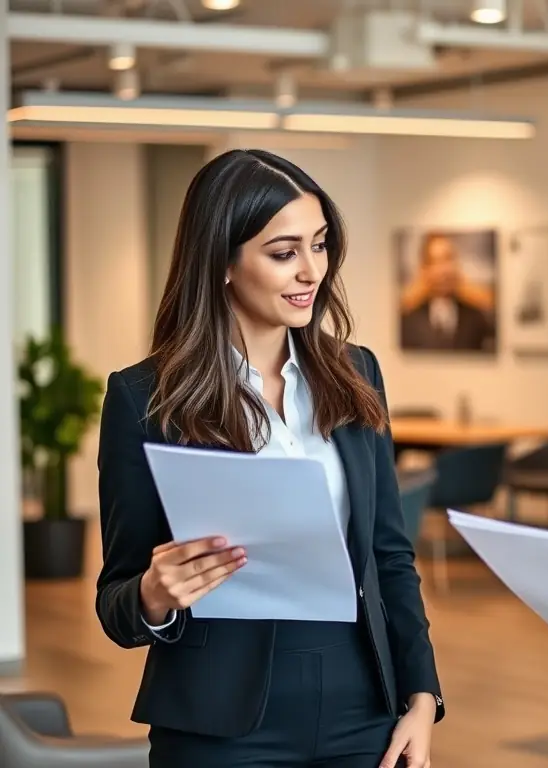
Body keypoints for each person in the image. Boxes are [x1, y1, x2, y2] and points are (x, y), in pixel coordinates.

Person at [95, 148, 443, 768]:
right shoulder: (143, 398)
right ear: (222, 263)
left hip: (362, 709)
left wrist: (422, 693)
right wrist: (153, 593)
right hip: (217, 723)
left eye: (320, 244)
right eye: (284, 253)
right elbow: (116, 601)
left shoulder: (356, 372)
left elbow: (390, 553)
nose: (312, 271)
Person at [399, 233, 495, 352]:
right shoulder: (408, 320)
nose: (443, 270)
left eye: (448, 259)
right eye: (435, 261)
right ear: (424, 269)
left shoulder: (476, 317)